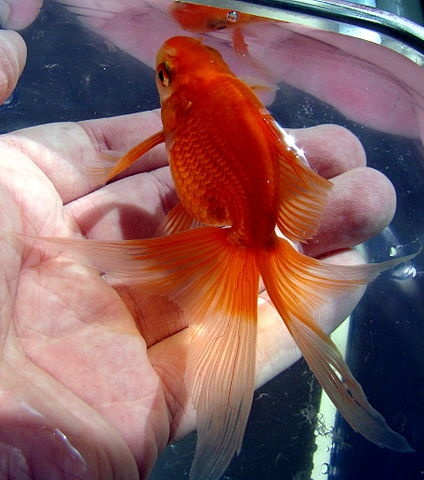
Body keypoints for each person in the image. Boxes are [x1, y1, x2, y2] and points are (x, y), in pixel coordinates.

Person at [0, 21, 399, 480]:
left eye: (164, 76)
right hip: (249, 210)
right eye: (167, 73)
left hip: (236, 214)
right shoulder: (227, 98)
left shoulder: (193, 108)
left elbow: (160, 152)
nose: (160, 74)